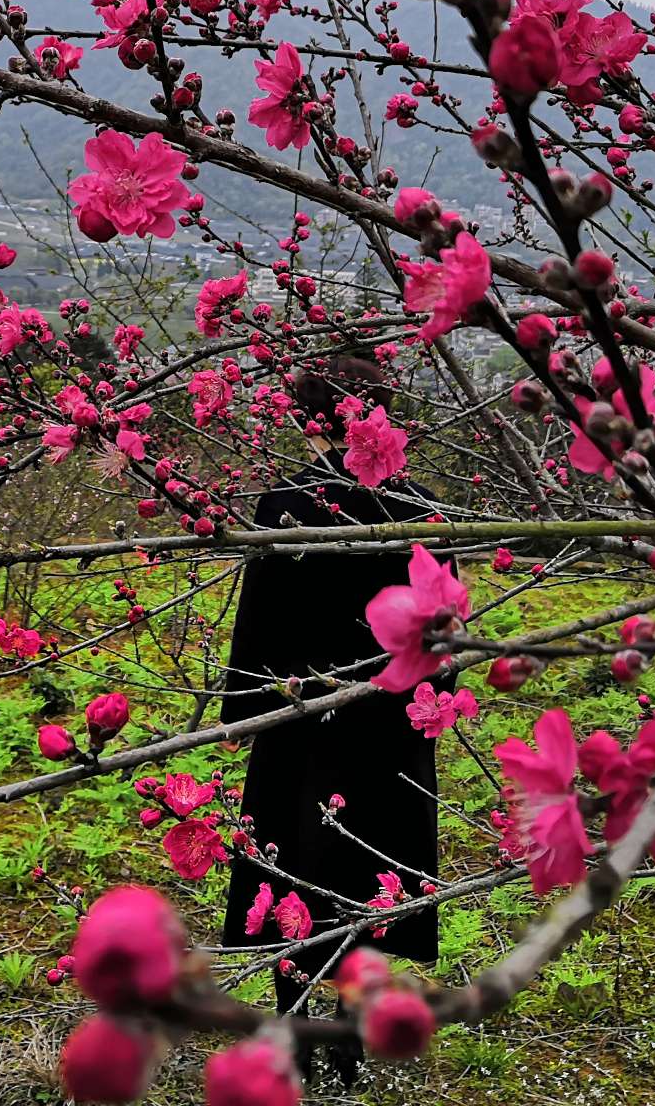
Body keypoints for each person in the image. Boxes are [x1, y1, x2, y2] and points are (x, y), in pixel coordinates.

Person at [218, 352, 449, 1037]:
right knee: (370, 867)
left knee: (289, 866)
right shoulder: (424, 509)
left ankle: (292, 1024)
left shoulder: (282, 507)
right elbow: (444, 634)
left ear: (304, 419)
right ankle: (350, 1027)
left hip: (297, 722)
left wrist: (243, 714)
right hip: (389, 721)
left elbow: (257, 624)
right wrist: (433, 703)